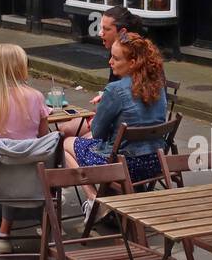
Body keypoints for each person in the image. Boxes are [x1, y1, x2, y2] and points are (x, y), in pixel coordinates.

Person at [62, 33, 168, 214]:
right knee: (90, 141)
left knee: (65, 144)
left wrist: (98, 117)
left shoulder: (114, 90)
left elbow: (98, 133)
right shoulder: (158, 85)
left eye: (116, 58)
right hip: (155, 162)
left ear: (133, 63)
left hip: (123, 165)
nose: (110, 62)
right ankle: (114, 199)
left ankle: (93, 200)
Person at [0, 44, 51, 250]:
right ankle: (46, 226)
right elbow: (45, 138)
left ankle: (4, 232)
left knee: (8, 159)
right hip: (33, 180)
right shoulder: (35, 97)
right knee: (33, 159)